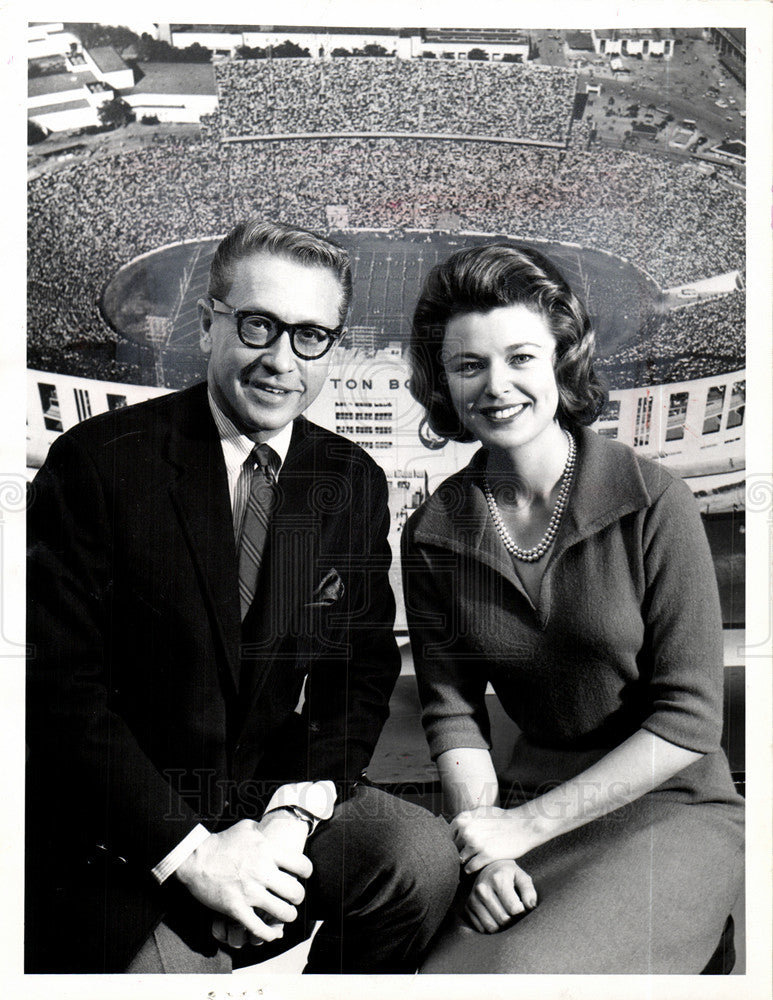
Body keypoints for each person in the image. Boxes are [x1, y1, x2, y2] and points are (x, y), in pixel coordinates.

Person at [26, 219, 458, 974]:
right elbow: (59, 694)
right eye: (259, 325)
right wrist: (193, 858)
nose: (281, 360)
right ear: (208, 324)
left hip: (266, 805)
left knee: (419, 861)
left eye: (311, 336)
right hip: (126, 828)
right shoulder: (96, 465)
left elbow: (354, 676)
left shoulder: (349, 480)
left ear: (333, 346)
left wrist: (291, 817)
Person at [401, 243, 744, 974]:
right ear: (443, 381)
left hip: (672, 807)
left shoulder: (653, 501)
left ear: (561, 359)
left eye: (520, 357)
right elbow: (451, 710)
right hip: (524, 810)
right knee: (440, 981)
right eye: (469, 366)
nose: (497, 386)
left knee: (524, 979)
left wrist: (522, 828)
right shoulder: (432, 531)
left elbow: (689, 720)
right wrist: (484, 844)